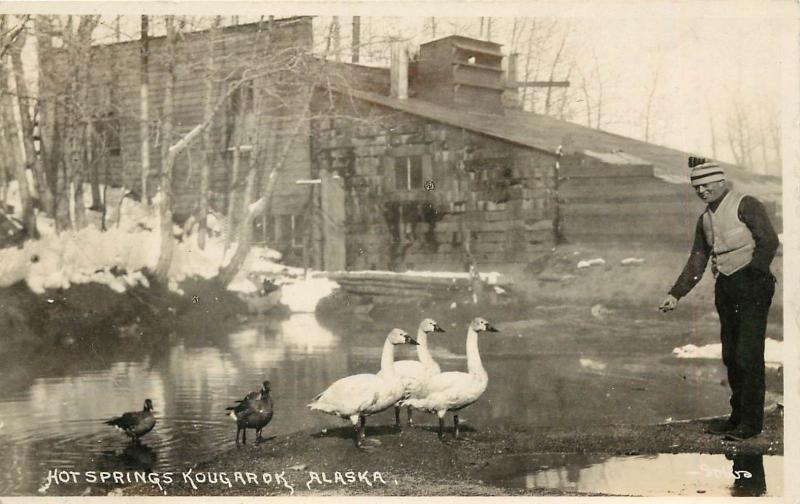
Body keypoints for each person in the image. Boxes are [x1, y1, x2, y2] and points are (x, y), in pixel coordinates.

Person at [658, 157, 779, 441]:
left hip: (753, 286)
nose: (702, 191)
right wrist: (676, 293)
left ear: (721, 181)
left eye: (707, 184)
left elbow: (769, 241)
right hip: (726, 288)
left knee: (748, 355)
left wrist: (755, 274)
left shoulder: (746, 203)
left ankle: (751, 424)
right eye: (696, 186)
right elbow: (698, 258)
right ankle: (737, 417)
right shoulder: (704, 219)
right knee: (731, 355)